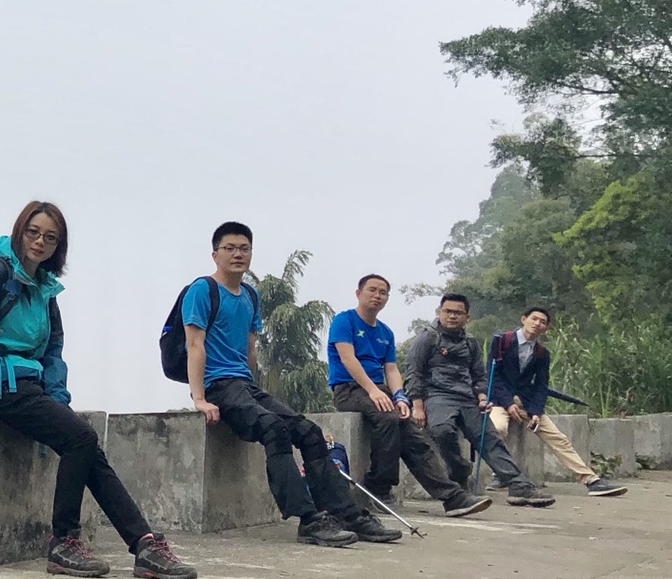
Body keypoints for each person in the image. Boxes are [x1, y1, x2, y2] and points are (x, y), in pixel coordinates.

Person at [0, 202, 196, 579]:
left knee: (85, 446)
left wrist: (57, 397)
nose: (40, 242)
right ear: (19, 231)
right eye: (33, 232)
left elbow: (52, 350)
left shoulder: (45, 288)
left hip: (29, 385)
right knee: (82, 438)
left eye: (50, 237)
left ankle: (144, 544)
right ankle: (64, 541)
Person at [184, 223, 400, 547]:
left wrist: (256, 393)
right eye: (229, 248)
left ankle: (346, 513)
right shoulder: (202, 290)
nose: (238, 254)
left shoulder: (250, 296)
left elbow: (250, 350)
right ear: (215, 254)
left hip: (245, 385)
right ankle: (308, 519)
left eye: (244, 248)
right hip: (218, 386)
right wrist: (199, 398)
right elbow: (195, 345)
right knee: (274, 428)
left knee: (309, 431)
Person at [326, 275, 490, 518]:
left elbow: (391, 369)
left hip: (380, 390)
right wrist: (372, 390)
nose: (377, 295)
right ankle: (379, 486)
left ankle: (452, 497)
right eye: (372, 290)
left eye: (383, 292)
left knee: (413, 433)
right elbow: (348, 359)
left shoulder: (385, 332)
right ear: (358, 293)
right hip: (349, 388)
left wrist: (400, 396)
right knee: (389, 417)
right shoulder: (344, 321)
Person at [401, 294, 553, 507]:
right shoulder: (427, 338)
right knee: (442, 430)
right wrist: (417, 404)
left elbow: (479, 375)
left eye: (458, 313)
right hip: (437, 396)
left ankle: (520, 486)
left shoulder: (470, 342)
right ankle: (460, 470)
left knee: (489, 439)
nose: (452, 316)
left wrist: (482, 397)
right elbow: (413, 371)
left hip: (467, 397)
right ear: (439, 312)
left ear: (467, 317)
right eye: (448, 311)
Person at [488, 308, 627, 497]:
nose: (537, 323)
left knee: (558, 438)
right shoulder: (501, 341)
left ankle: (591, 480)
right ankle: (500, 473)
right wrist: (507, 403)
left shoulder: (541, 353)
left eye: (542, 322)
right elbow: (492, 375)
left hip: (526, 403)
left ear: (546, 328)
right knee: (498, 427)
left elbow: (541, 385)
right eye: (534, 319)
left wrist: (536, 411)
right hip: (498, 400)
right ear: (523, 319)